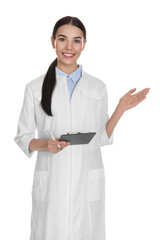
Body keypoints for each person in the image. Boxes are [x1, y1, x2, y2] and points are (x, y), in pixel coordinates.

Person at [14, 16, 150, 240]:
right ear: (52, 42)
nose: (69, 47)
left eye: (76, 41)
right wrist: (46, 144)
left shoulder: (97, 87)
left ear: (84, 44)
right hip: (51, 184)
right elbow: (23, 136)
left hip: (86, 181)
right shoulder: (35, 87)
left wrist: (120, 109)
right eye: (62, 39)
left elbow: (101, 137)